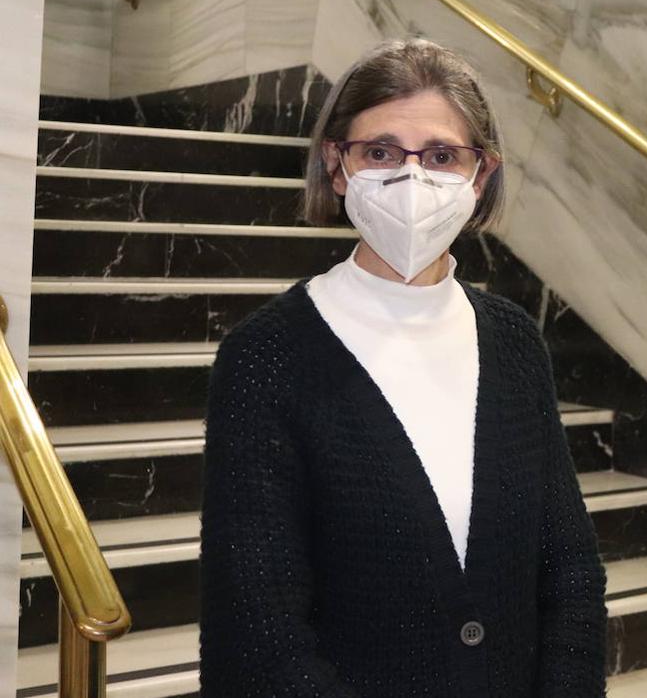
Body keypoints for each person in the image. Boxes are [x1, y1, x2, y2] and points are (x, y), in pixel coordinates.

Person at [200, 39, 606, 697]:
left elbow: (569, 572)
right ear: (337, 165)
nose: (413, 179)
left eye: (443, 156)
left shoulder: (513, 341)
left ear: (481, 176)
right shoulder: (265, 357)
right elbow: (258, 633)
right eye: (381, 152)